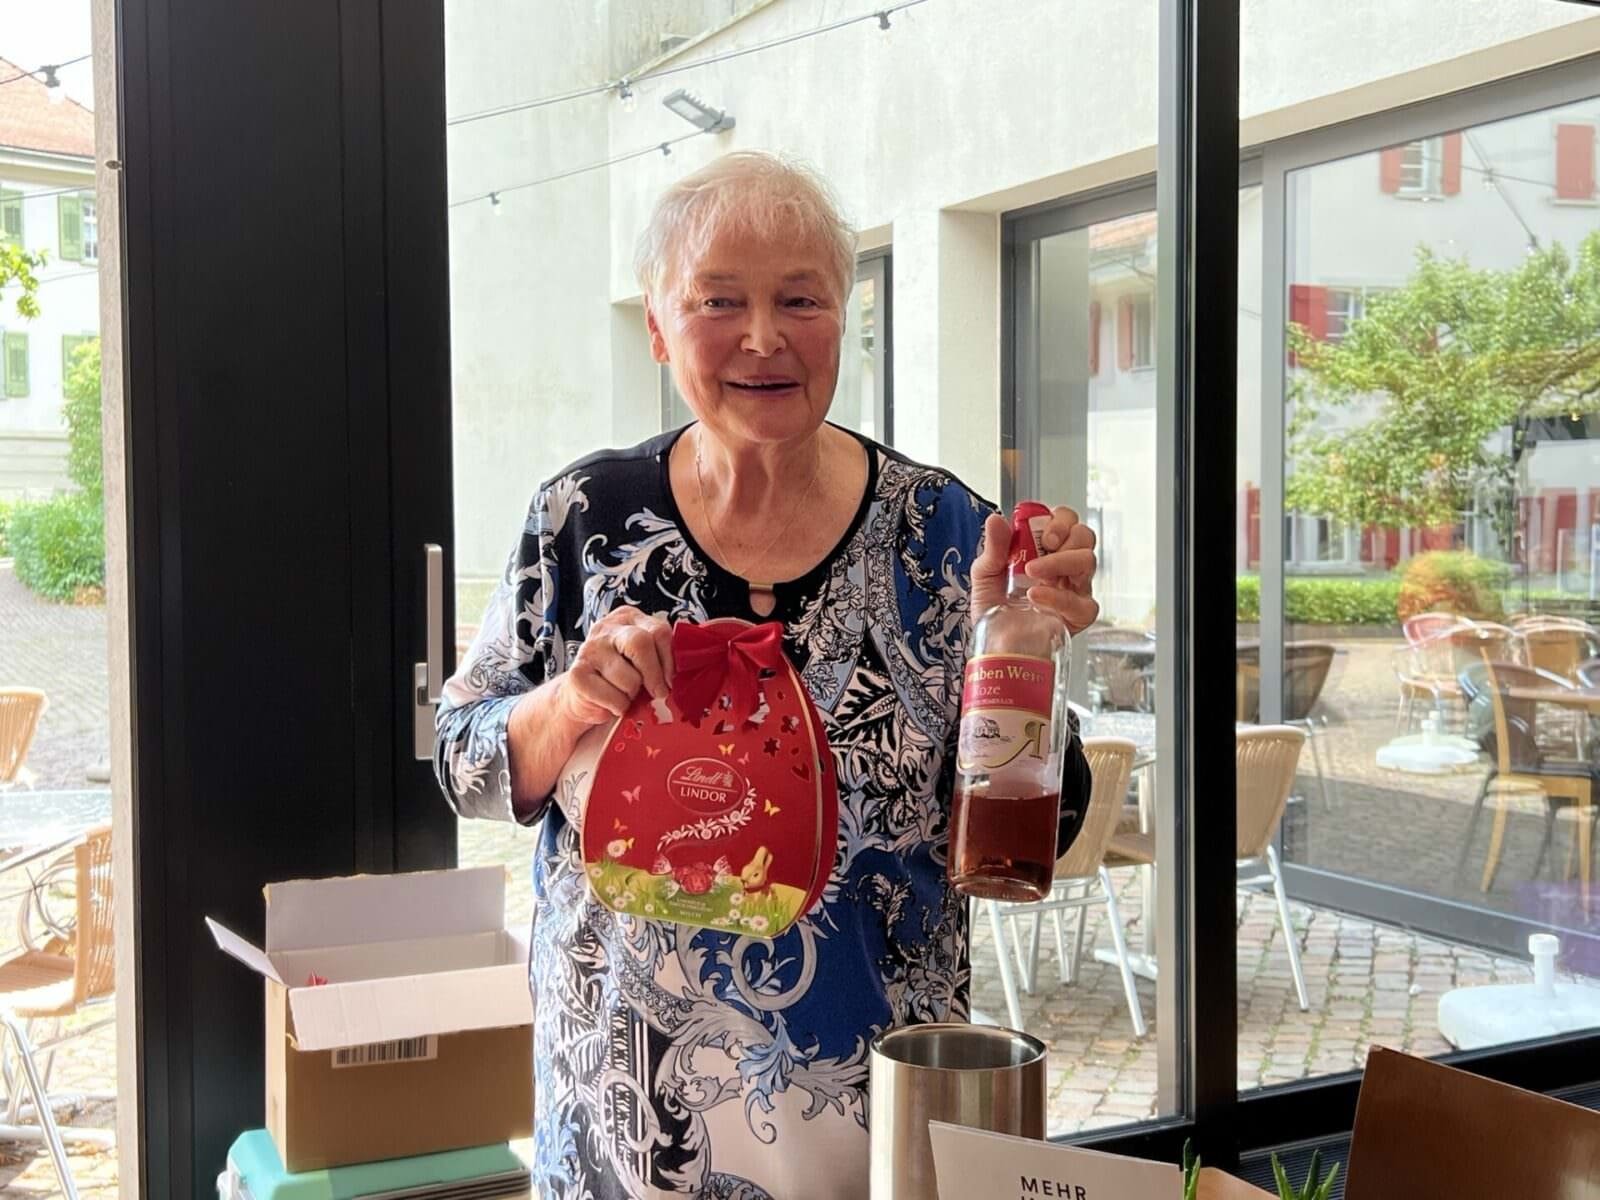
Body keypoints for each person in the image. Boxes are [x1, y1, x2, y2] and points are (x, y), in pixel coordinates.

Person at [436, 150, 1099, 1200]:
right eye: (717, 301)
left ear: (844, 317)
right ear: (659, 327)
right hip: (622, 1136)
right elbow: (462, 761)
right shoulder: (583, 519)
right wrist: (570, 701)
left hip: (880, 1136)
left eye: (801, 299)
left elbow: (1043, 829)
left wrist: (1016, 651)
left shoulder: (945, 533)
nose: (762, 336)